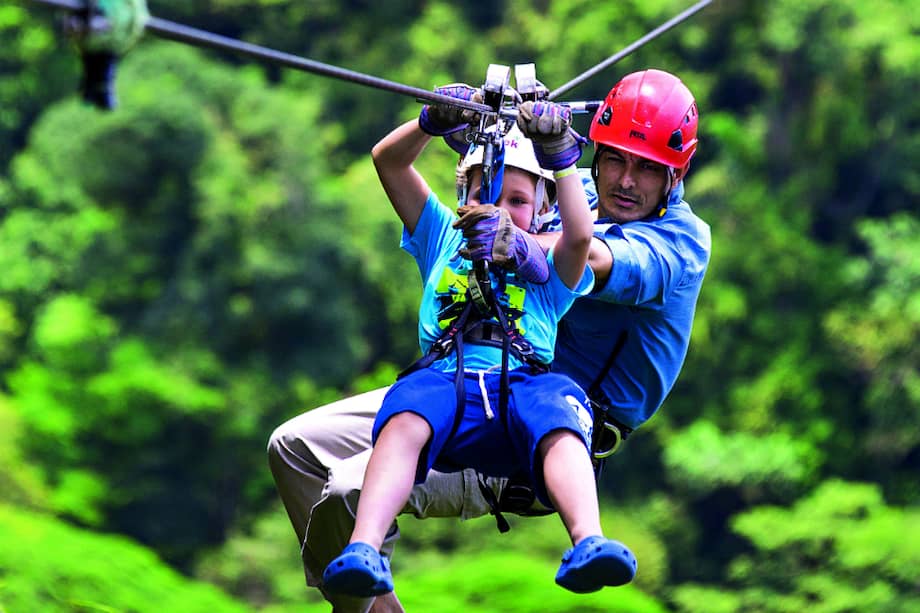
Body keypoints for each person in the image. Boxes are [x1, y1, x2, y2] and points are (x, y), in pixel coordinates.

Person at [268, 69, 711, 613]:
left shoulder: (680, 242)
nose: (625, 180)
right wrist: (488, 123)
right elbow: (531, 185)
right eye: (615, 158)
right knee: (294, 447)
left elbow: (591, 254)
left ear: (676, 173)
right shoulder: (576, 191)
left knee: (346, 492)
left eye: (647, 168)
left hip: (539, 427)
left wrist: (519, 243)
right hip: (459, 376)